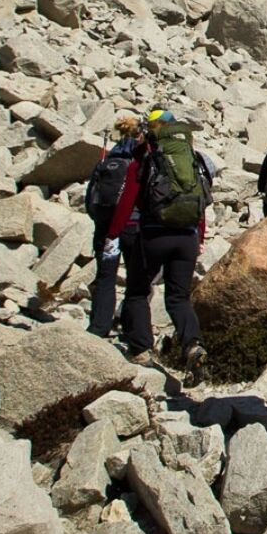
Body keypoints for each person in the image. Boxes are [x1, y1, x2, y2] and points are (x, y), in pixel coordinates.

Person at [108, 109, 211, 372]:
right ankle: (193, 344)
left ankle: (141, 349)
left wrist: (112, 234)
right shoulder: (194, 159)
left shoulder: (147, 158)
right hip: (187, 237)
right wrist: (198, 236)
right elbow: (201, 201)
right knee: (179, 298)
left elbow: (128, 199)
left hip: (154, 234)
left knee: (137, 292)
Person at [85, 114, 147, 339]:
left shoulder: (107, 160)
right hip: (132, 226)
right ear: (140, 134)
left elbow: (90, 198)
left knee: (105, 277)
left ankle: (98, 327)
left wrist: (100, 222)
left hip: (105, 227)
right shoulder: (138, 161)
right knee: (135, 280)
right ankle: (132, 330)